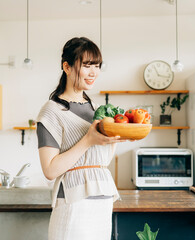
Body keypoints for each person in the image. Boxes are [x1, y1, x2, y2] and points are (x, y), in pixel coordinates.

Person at [36, 37, 125, 240]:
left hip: (102, 199)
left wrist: (115, 138)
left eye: (97, 65)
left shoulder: (94, 108)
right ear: (66, 67)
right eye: (86, 65)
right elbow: (50, 170)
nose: (94, 72)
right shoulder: (51, 111)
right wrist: (88, 141)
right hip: (74, 201)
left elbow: (100, 162)